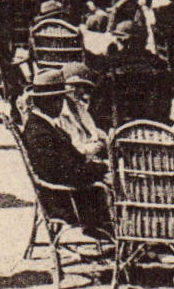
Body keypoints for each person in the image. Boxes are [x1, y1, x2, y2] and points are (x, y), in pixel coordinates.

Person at [19, 68, 112, 238]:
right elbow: (61, 171)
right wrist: (99, 169)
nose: (62, 105)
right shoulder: (40, 132)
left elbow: (70, 161)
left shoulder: (43, 125)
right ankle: (121, 235)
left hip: (65, 192)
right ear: (50, 101)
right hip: (64, 200)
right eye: (60, 100)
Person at [57, 63, 106, 159]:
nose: (80, 90)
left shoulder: (81, 108)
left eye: (83, 86)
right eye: (74, 86)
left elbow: (92, 131)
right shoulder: (58, 113)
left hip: (94, 154)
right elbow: (69, 147)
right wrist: (90, 148)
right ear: (63, 86)